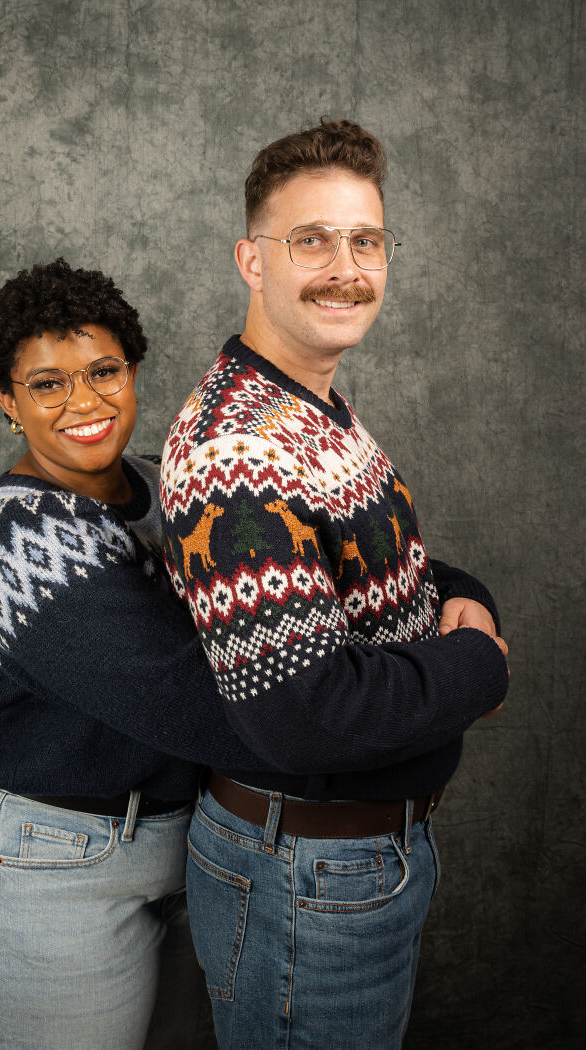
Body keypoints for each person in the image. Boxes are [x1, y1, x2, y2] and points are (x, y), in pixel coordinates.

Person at [160, 120, 510, 1049]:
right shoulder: (240, 447)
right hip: (306, 874)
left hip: (351, 861)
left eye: (367, 240)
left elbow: (369, 564)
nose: (344, 267)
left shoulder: (308, 400)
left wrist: (460, 590)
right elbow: (303, 711)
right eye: (309, 239)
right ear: (251, 259)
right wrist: (479, 662)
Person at [0, 258, 269, 1050]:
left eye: (102, 371)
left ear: (132, 370)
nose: (84, 402)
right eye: (47, 385)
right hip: (37, 861)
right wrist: (402, 711)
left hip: (174, 848)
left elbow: (319, 550)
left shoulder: (161, 484)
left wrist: (455, 593)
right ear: (8, 402)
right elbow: (192, 704)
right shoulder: (18, 538)